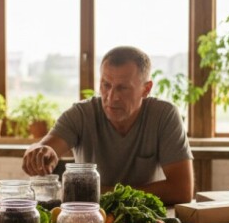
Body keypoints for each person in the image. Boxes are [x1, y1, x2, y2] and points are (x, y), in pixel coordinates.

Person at [21, 46, 193, 204]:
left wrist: (99, 192)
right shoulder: (81, 114)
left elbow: (182, 191)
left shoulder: (164, 115)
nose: (111, 97)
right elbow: (45, 147)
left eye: (122, 88)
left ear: (146, 89)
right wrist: (37, 152)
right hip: (89, 217)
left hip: (147, 218)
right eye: (106, 85)